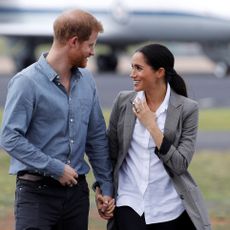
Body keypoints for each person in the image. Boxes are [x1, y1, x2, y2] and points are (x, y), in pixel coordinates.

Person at [0, 9, 114, 230]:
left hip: (77, 196)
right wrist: (55, 168)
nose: (92, 52)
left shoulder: (88, 81)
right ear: (73, 42)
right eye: (90, 45)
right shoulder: (26, 82)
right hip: (37, 196)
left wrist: (106, 186)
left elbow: (96, 137)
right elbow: (9, 137)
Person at [96, 43, 211, 230]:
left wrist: (151, 125)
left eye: (138, 68)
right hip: (129, 204)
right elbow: (110, 154)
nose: (132, 74)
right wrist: (102, 191)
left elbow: (180, 164)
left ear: (160, 72)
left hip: (169, 209)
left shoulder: (188, 109)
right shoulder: (123, 102)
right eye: (132, 67)